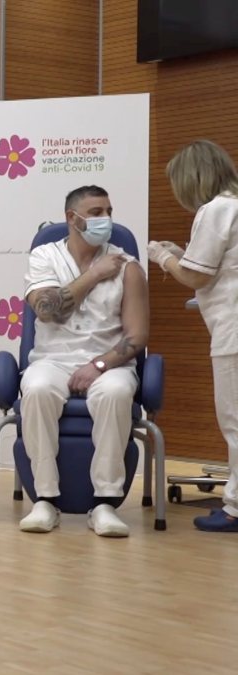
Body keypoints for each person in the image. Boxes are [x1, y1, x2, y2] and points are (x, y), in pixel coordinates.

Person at [20, 185, 148, 537]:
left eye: (108, 211)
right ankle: (45, 500)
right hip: (52, 359)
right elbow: (47, 311)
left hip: (109, 363)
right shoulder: (44, 256)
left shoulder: (127, 266)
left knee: (115, 393)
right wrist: (94, 274)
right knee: (37, 388)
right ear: (72, 218)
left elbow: (137, 336)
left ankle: (105, 503)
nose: (105, 219)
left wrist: (99, 366)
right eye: (95, 213)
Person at [149, 140, 238, 533]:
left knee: (235, 422)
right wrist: (181, 253)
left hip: (233, 331)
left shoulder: (216, 209)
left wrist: (162, 256)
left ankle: (235, 509)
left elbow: (196, 276)